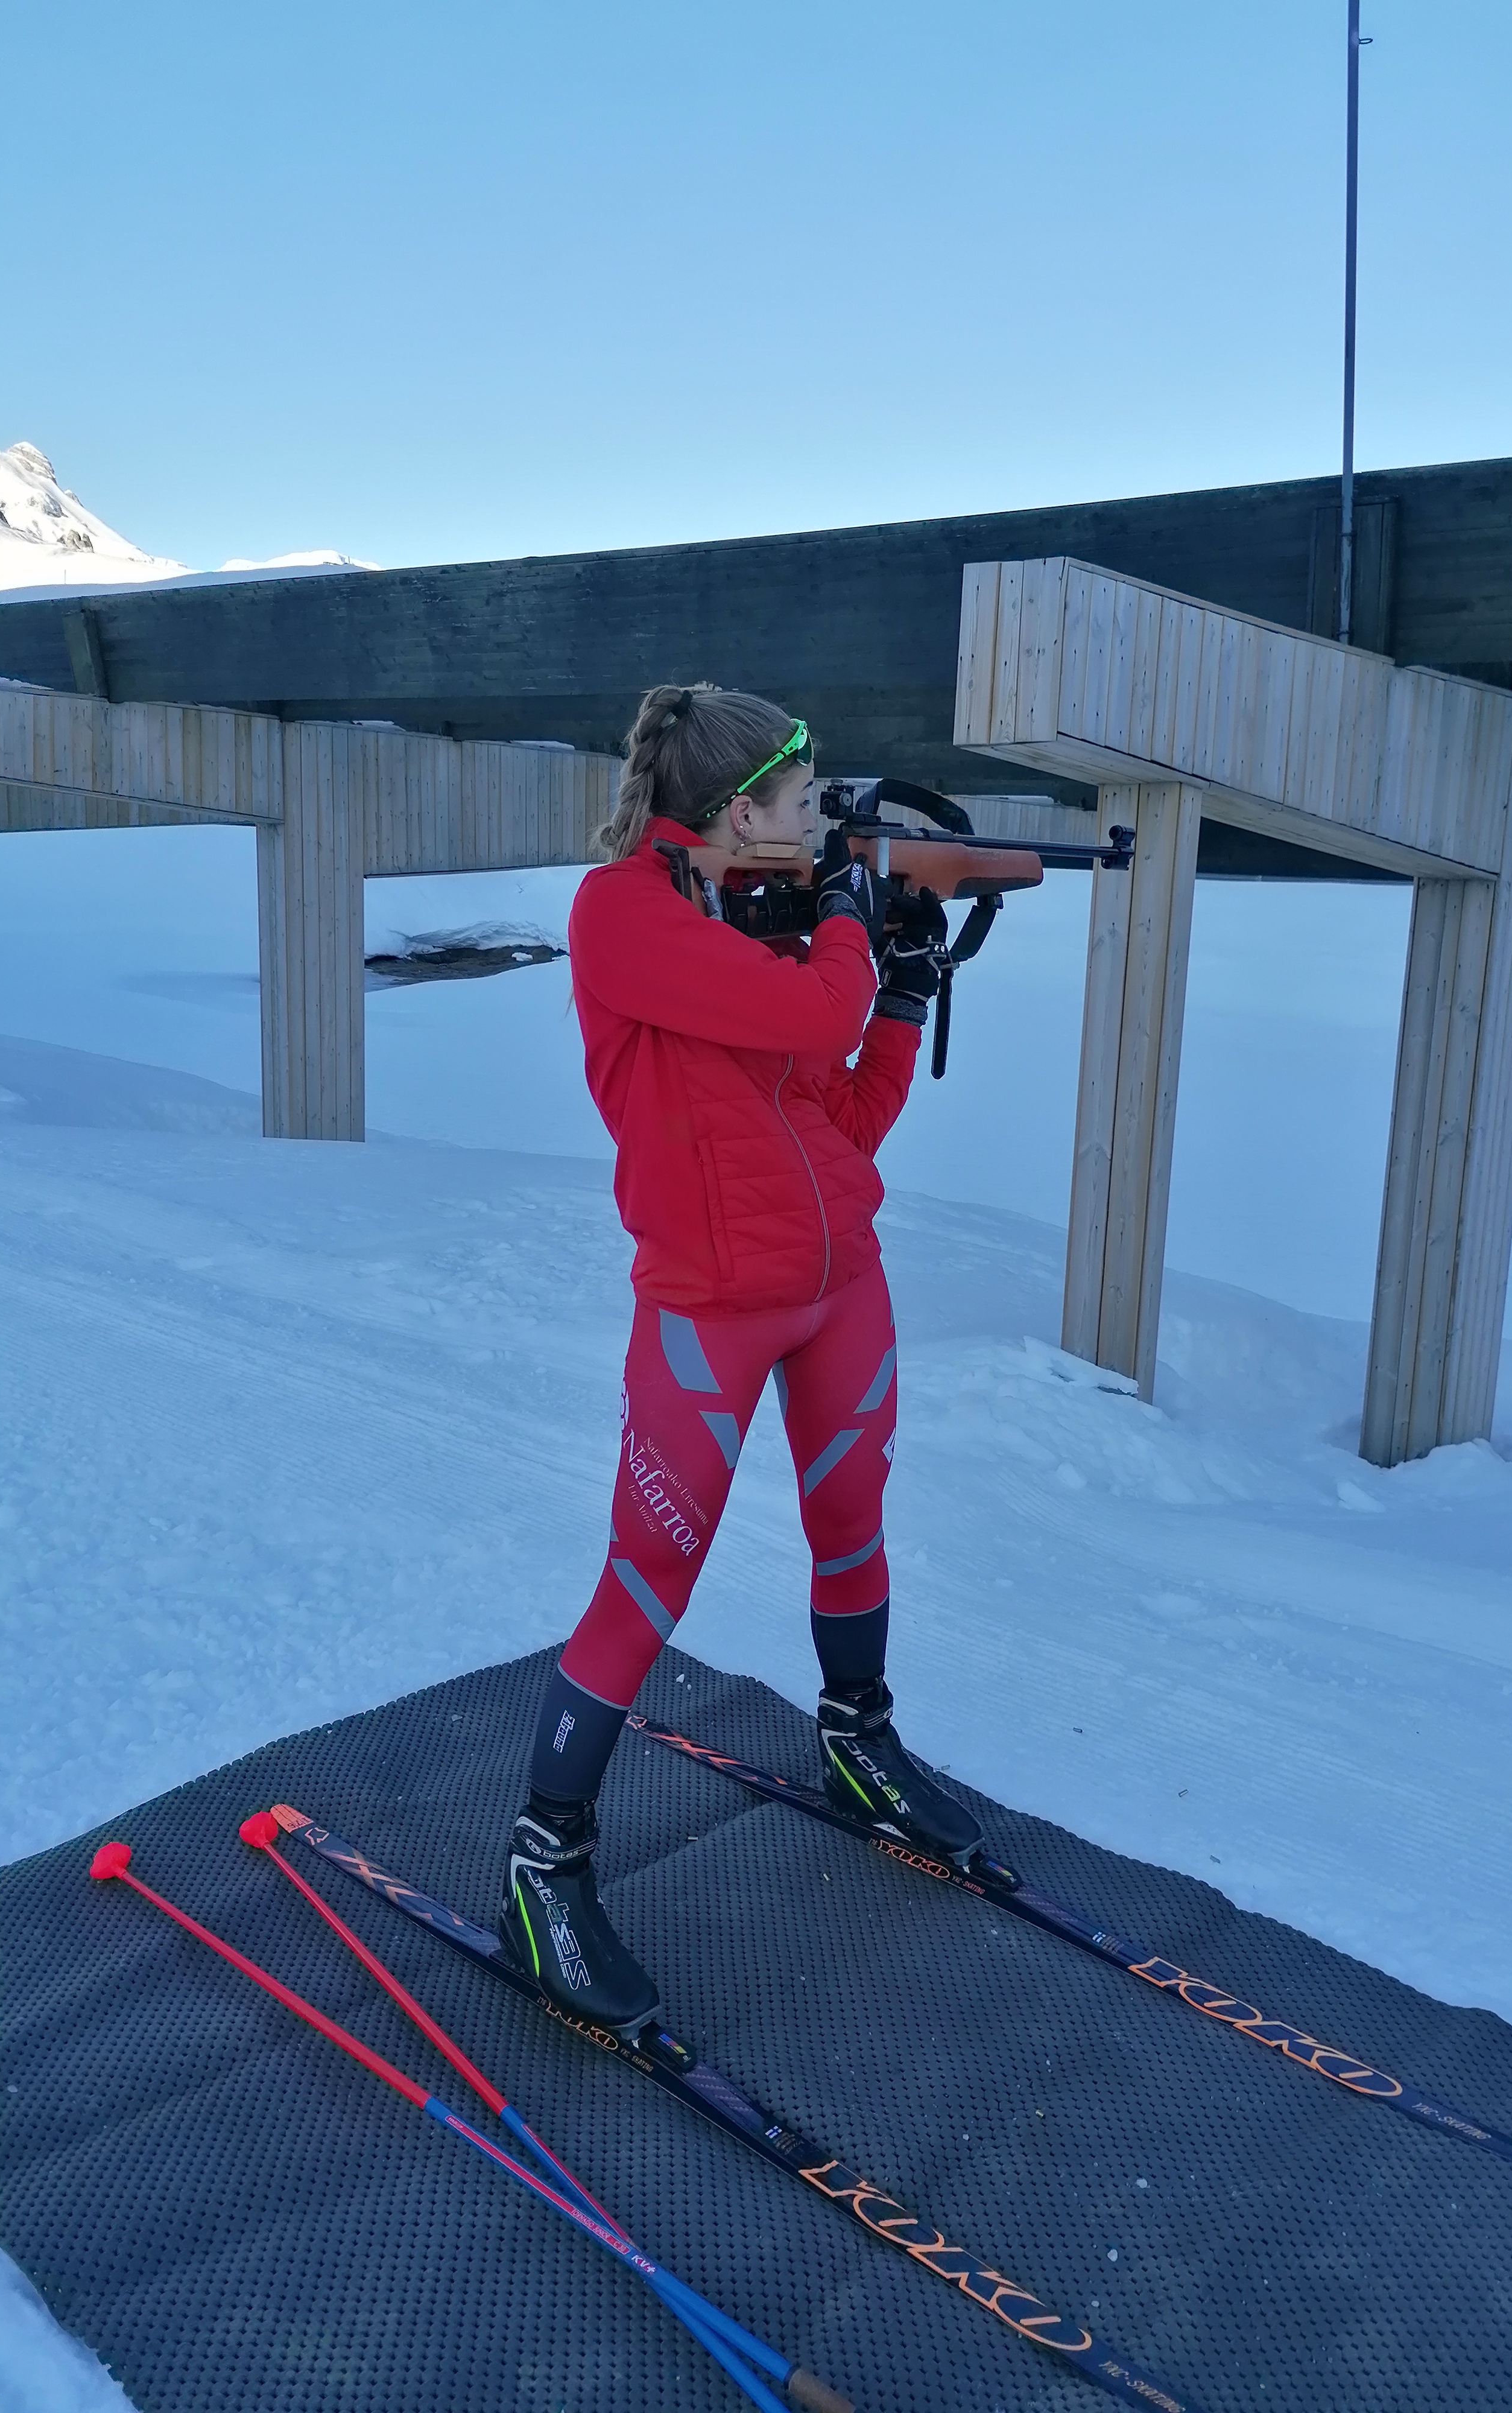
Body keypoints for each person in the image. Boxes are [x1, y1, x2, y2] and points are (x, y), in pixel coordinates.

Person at [500, 682, 982, 2032]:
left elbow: (843, 1115)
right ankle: (544, 1865)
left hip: (840, 1287)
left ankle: (858, 1740)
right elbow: (810, 1015)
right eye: (805, 799)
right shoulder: (624, 916)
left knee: (851, 1521)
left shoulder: (745, 928)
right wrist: (847, 920)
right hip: (710, 1306)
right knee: (648, 1576)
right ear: (732, 812)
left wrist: (907, 988)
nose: (823, 819)